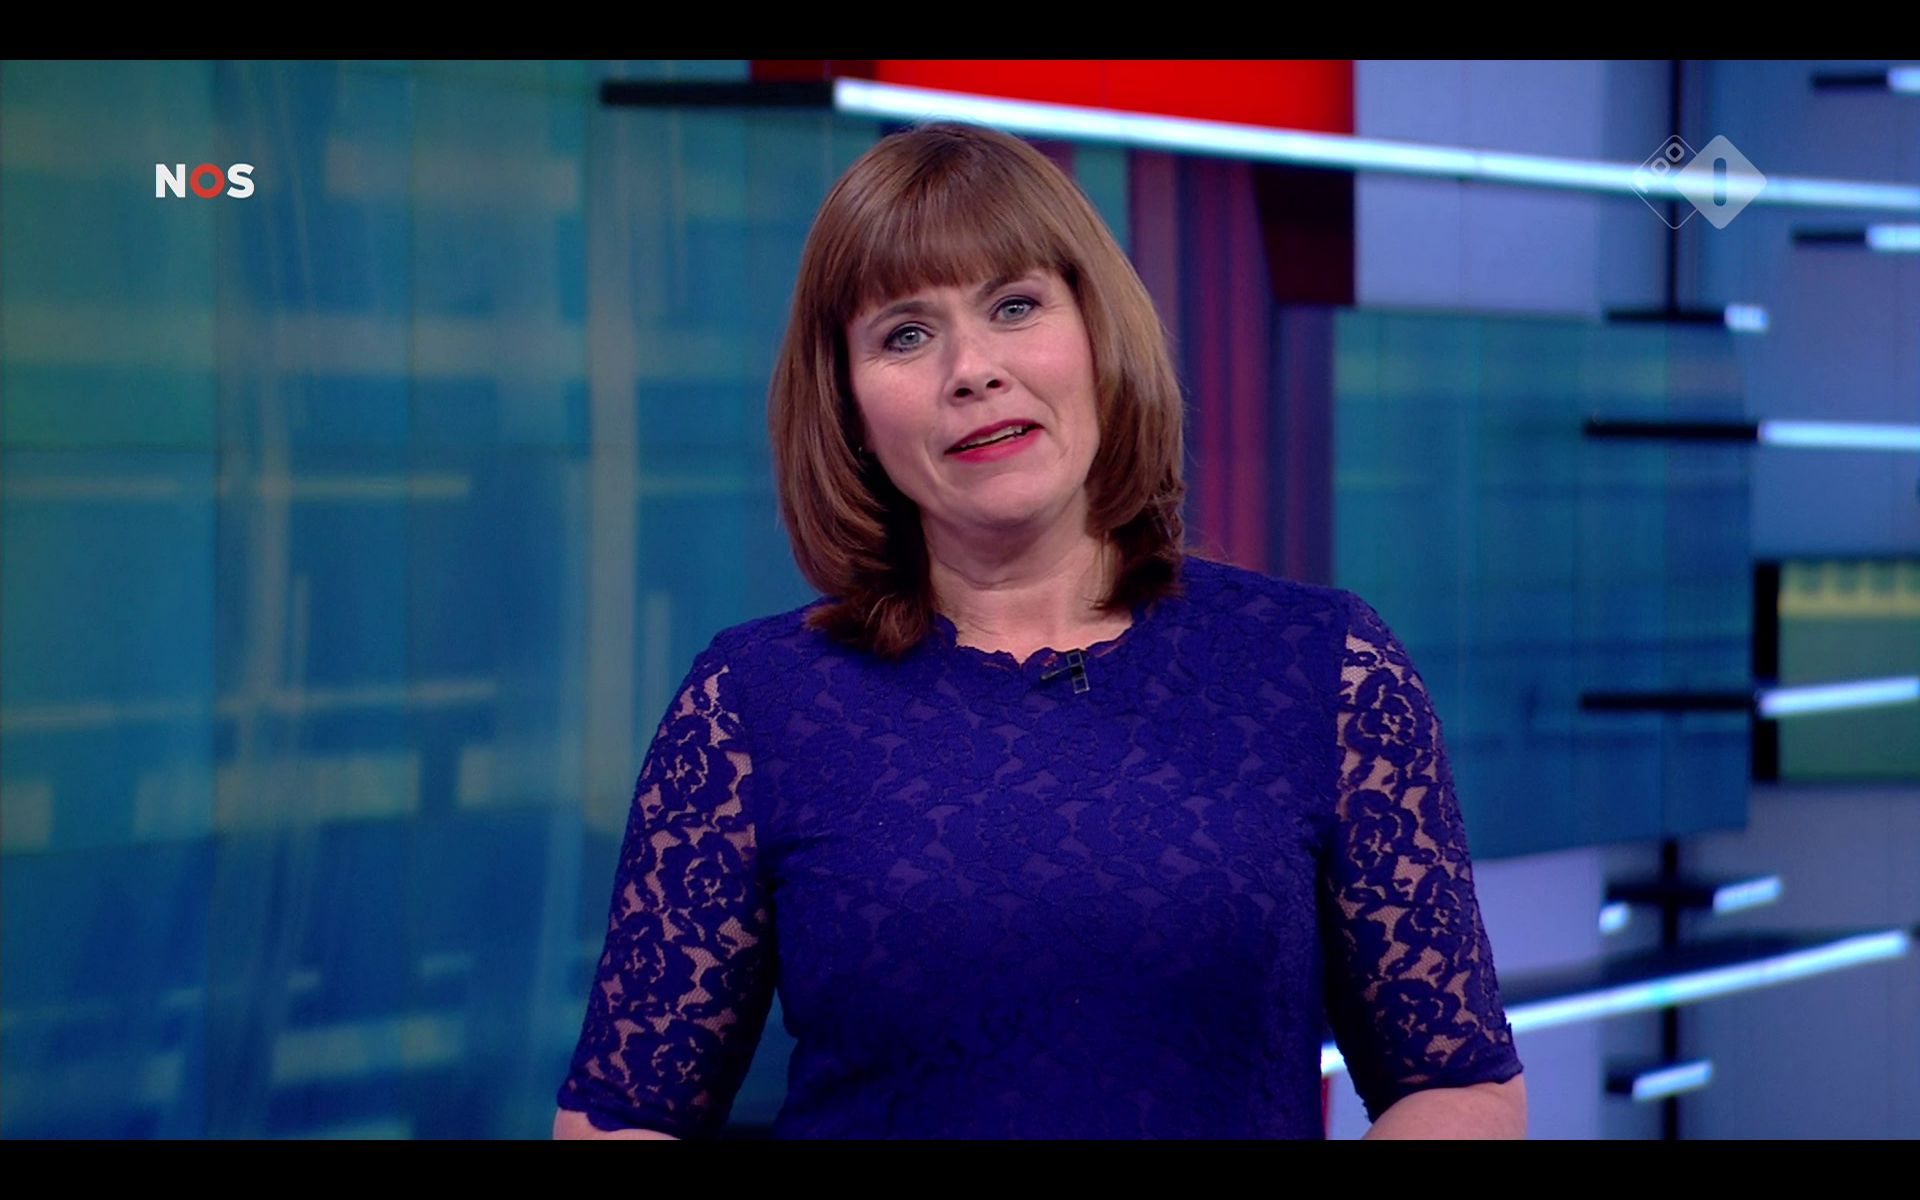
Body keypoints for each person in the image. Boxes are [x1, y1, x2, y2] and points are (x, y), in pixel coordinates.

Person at [552, 121, 1526, 1140]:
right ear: (848, 408)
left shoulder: (1325, 667)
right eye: (905, 335)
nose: (971, 369)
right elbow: (619, 1121)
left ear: (1098, 332)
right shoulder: (752, 705)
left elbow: (1461, 1087)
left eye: (1014, 306)